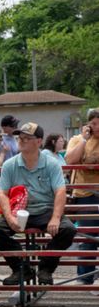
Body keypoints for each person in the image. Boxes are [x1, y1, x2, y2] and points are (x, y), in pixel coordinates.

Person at [0, 122, 75, 285]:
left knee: (68, 230)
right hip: (19, 210)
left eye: (27, 138)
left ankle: (46, 268)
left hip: (46, 210)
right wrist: (9, 217)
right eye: (20, 137)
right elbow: (2, 193)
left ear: (39, 142)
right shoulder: (10, 164)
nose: (21, 141)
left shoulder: (52, 164)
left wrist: (56, 218)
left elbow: (60, 191)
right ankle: (21, 269)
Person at [65, 108, 99, 287]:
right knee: (88, 238)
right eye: (94, 123)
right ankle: (85, 279)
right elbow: (70, 160)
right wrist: (85, 139)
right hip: (86, 194)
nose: (97, 127)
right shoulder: (78, 139)